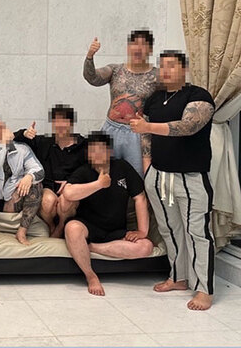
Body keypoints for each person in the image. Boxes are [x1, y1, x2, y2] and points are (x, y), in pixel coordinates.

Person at [130, 50, 215, 311]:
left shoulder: (198, 96)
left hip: (191, 176)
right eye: (162, 66)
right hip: (159, 175)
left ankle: (204, 289)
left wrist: (148, 127)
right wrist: (148, 168)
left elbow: (188, 126)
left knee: (197, 232)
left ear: (184, 69)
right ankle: (178, 277)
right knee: (169, 228)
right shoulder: (155, 99)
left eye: (171, 66)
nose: (166, 71)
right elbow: (144, 134)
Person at [62, 132, 154, 296]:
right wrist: (98, 184)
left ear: (109, 151)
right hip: (89, 226)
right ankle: (91, 276)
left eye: (101, 149)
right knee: (72, 228)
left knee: (146, 247)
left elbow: (140, 197)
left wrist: (142, 231)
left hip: (115, 230)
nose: (97, 154)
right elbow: (68, 193)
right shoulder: (84, 171)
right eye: (92, 150)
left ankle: (91, 248)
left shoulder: (122, 167)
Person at [83, 30, 159, 176]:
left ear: (150, 49)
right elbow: (92, 78)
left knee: (137, 175)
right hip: (111, 129)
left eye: (143, 45)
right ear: (128, 47)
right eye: (134, 44)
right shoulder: (115, 70)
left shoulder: (157, 76)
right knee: (104, 173)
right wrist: (90, 56)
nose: (138, 49)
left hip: (138, 132)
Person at [14, 105, 87, 238]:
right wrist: (24, 133)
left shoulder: (83, 145)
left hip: (72, 188)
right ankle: (51, 226)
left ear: (71, 123)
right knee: (47, 201)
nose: (60, 125)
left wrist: (72, 181)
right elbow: (13, 139)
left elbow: (90, 167)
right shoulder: (44, 143)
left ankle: (61, 227)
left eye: (64, 121)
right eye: (56, 121)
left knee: (66, 201)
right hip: (49, 187)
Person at [0, 115, 44, 247]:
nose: (4, 130)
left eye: (3, 127)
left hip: (13, 201)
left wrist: (29, 177)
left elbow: (39, 170)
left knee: (36, 184)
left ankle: (22, 232)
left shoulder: (21, 148)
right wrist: (3, 144)